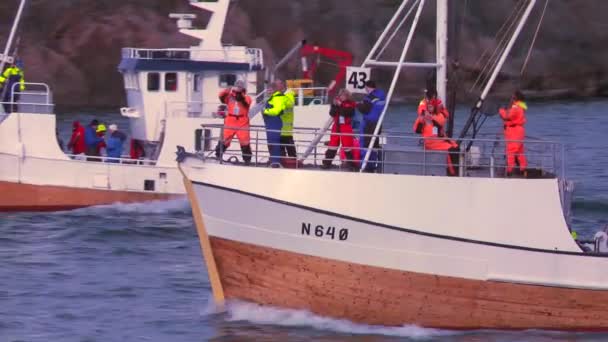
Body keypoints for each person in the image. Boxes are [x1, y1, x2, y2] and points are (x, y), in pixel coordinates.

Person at [413, 89, 459, 176]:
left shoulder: (438, 115)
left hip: (439, 140)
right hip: (431, 142)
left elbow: (441, 120)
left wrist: (430, 117)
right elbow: (416, 129)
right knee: (451, 150)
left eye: (432, 106)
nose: (430, 107)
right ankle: (453, 173)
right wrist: (422, 118)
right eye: (429, 106)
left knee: (456, 147)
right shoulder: (423, 114)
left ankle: (455, 170)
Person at [214, 80, 253, 165]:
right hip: (230, 121)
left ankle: (247, 160)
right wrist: (227, 90)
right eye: (237, 86)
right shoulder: (229, 96)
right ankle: (217, 155)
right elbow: (221, 97)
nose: (238, 88)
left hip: (242, 122)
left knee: (245, 141)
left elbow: (245, 102)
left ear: (243, 88)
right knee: (225, 140)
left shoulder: (247, 97)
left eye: (240, 86)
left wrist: (239, 94)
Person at [322, 89, 357, 170]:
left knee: (347, 146)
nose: (342, 97)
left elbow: (348, 113)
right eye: (341, 95)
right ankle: (327, 163)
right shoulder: (336, 103)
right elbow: (332, 113)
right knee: (332, 146)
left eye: (344, 95)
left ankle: (352, 165)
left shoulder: (350, 104)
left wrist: (340, 105)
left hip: (346, 126)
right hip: (336, 126)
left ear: (347, 96)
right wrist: (334, 105)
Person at [356, 80, 386, 172]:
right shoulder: (382, 95)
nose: (365, 90)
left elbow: (365, 110)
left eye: (366, 88)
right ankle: (372, 165)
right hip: (377, 123)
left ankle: (364, 165)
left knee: (365, 144)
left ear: (368, 87)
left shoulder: (369, 98)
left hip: (368, 124)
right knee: (374, 145)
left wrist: (358, 105)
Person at [499, 90, 528, 177]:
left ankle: (510, 171)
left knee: (511, 151)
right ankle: (523, 170)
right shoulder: (521, 107)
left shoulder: (515, 108)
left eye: (512, 97)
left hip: (514, 131)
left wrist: (501, 110)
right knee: (519, 152)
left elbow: (507, 116)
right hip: (519, 131)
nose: (511, 99)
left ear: (515, 98)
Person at [263, 80, 290, 168]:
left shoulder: (278, 98)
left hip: (274, 123)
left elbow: (276, 111)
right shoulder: (273, 98)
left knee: (275, 143)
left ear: (274, 90)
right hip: (270, 124)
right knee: (271, 143)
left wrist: (265, 111)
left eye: (270, 90)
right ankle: (273, 160)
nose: (268, 92)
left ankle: (275, 162)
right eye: (268, 90)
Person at [279, 84, 297, 164]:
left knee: (289, 147)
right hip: (280, 128)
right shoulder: (280, 95)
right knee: (281, 148)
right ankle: (283, 161)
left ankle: (292, 162)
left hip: (286, 129)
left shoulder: (288, 94)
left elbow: (290, 104)